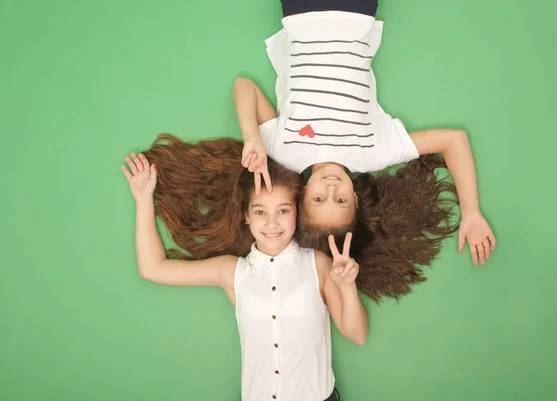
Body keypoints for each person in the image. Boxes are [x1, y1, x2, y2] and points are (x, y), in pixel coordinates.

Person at [233, 0, 496, 300]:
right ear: (356, 199)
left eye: (320, 198)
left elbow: (244, 87)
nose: (332, 188)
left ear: (303, 195)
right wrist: (471, 212)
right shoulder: (375, 154)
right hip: (354, 12)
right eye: (341, 199)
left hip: (301, 12)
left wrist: (252, 137)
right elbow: (454, 140)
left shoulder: (282, 153)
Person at [121, 137, 368, 401]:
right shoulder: (232, 272)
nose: (272, 223)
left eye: (283, 211)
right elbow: (153, 269)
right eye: (260, 212)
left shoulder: (318, 264)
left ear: (296, 212)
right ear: (247, 216)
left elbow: (358, 335)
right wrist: (143, 198)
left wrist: (347, 285)